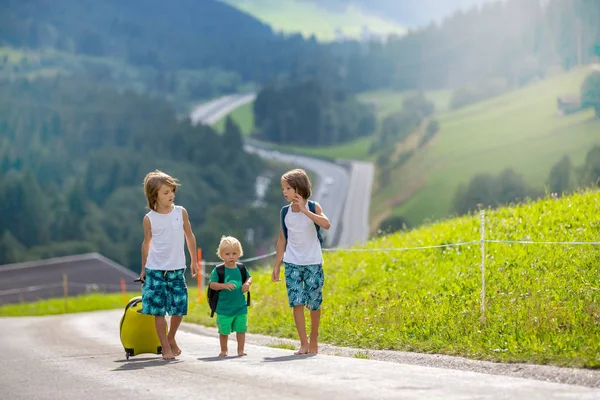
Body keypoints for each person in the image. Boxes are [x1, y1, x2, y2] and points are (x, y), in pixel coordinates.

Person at [271, 168, 330, 354]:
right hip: (292, 262)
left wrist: (304, 210)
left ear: (298, 187)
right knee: (296, 302)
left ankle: (314, 339)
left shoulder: (313, 207)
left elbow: (326, 224)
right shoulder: (284, 212)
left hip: (313, 262)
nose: (284, 192)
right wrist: (277, 265)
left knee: (314, 303)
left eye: (287, 188)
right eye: (283, 189)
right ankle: (303, 343)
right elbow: (282, 240)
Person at [140, 170, 198, 360]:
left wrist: (194, 260)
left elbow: (189, 235)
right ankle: (164, 346)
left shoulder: (181, 212)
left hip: (177, 267)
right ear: (153, 195)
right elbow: (146, 243)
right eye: (165, 192)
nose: (171, 195)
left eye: (172, 191)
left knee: (179, 306)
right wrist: (143, 268)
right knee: (158, 310)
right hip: (156, 269)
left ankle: (171, 336)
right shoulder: (149, 218)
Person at [209, 236, 252, 357]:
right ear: (221, 255)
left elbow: (249, 277)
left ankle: (241, 350)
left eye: (234, 253)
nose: (231, 256)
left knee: (241, 329)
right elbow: (212, 285)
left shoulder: (242, 268)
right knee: (224, 331)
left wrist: (247, 283)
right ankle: (224, 350)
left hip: (240, 307)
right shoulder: (219, 270)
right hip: (224, 308)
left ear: (239, 254)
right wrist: (224, 286)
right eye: (227, 254)